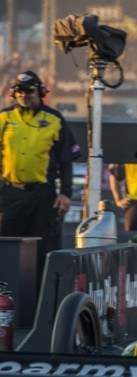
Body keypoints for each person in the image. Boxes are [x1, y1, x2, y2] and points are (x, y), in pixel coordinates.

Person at [0, 70, 79, 283]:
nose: (25, 95)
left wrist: (65, 193)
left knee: (43, 248)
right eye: (20, 91)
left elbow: (66, 159)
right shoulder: (4, 117)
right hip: (11, 193)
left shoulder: (54, 119)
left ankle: (39, 295)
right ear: (13, 93)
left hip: (42, 195)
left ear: (40, 92)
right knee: (6, 246)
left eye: (30, 91)